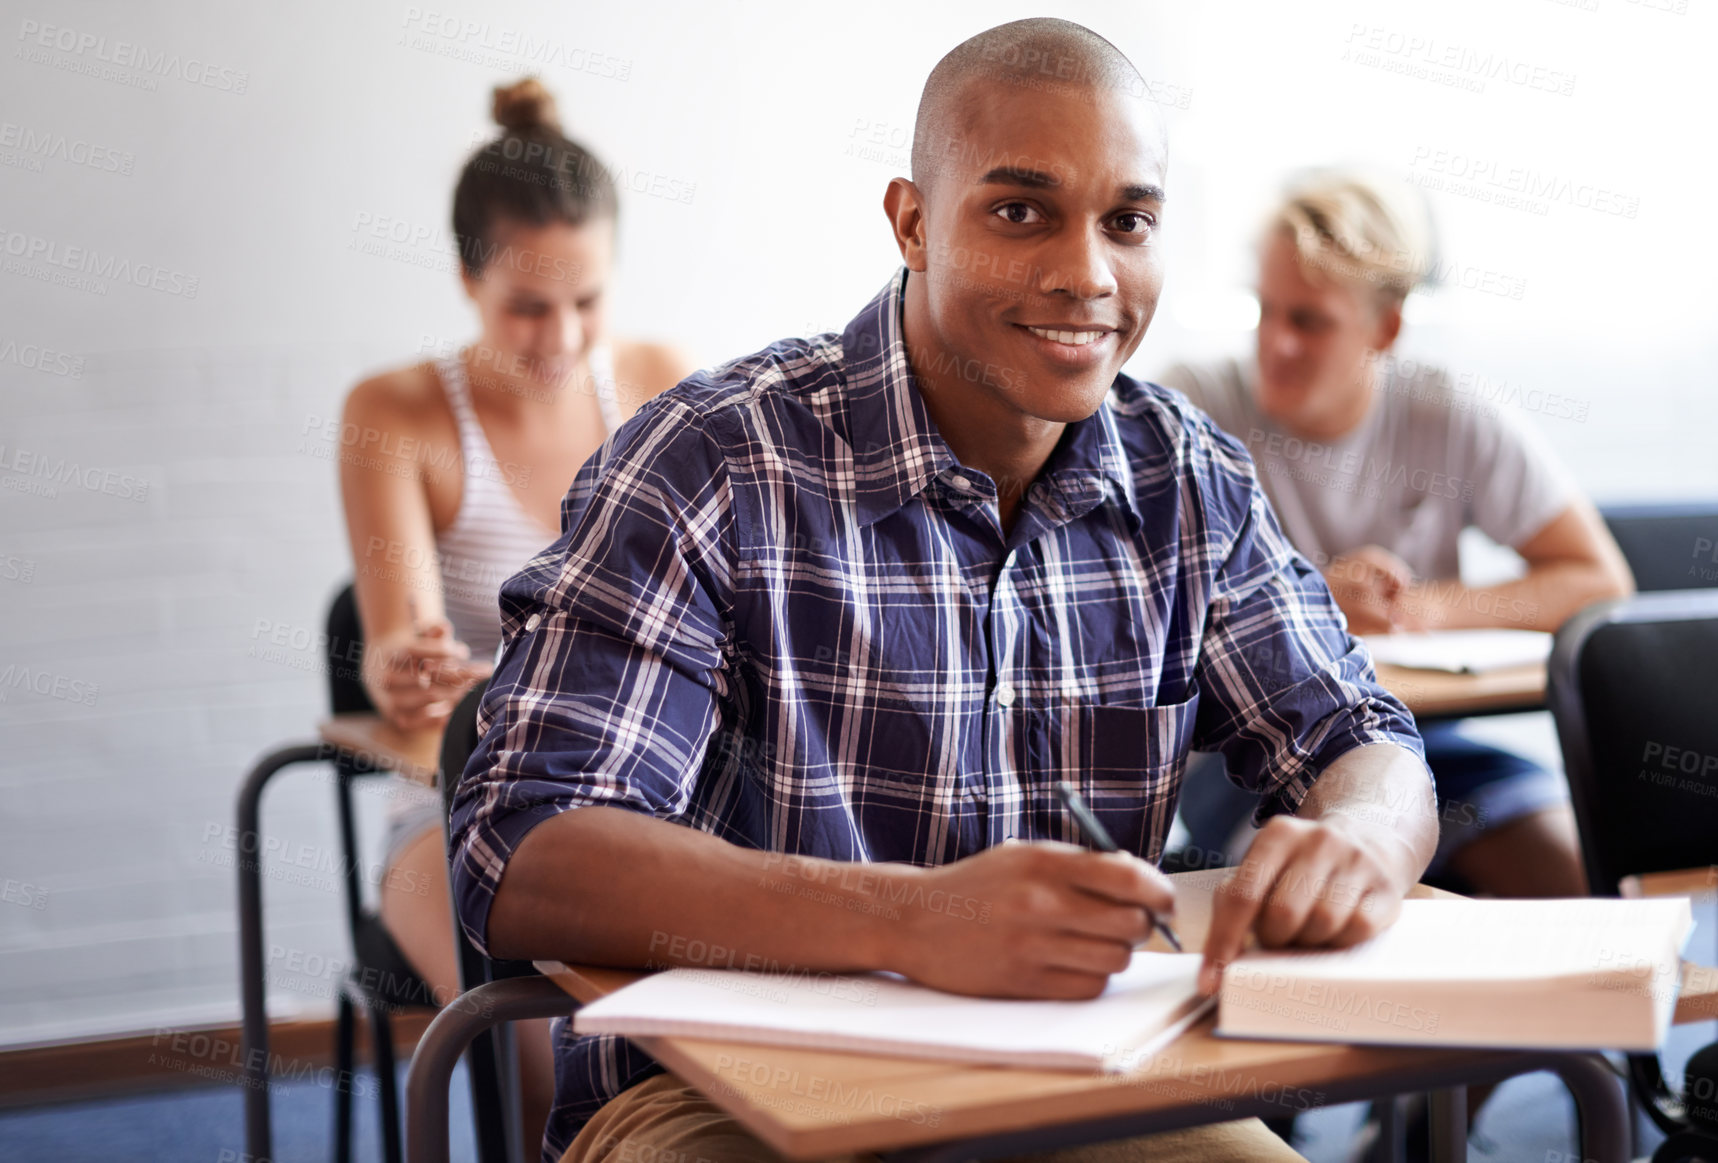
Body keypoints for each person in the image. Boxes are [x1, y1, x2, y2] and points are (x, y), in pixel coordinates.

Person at [452, 23, 1440, 1163]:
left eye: (1127, 220)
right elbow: (522, 850)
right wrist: (917, 921)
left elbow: (1359, 734)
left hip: (1087, 1075)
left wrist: (1362, 834)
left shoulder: (1188, 474)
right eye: (1019, 211)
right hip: (722, 1092)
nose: (1085, 273)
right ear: (911, 222)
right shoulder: (713, 459)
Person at [336, 76, 689, 1146]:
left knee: (698, 1039)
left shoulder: (662, 380)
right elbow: (399, 638)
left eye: (587, 301)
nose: (563, 336)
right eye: (526, 307)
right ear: (464, 280)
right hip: (445, 807)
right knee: (537, 1055)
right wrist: (401, 663)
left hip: (639, 799)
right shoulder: (395, 414)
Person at [1159, 171, 1633, 900]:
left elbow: (1598, 581)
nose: (1275, 343)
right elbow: (1142, 607)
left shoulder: (1449, 411)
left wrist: (1427, 606)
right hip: (1249, 762)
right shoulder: (1195, 403)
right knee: (1316, 902)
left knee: (1573, 873)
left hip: (1431, 748)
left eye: (1309, 321)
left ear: (1386, 327)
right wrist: (1315, 606)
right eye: (1265, 309)